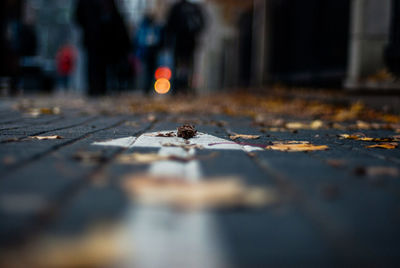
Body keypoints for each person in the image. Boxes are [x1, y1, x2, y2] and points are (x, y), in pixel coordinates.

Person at [75, 0, 130, 96]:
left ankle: (97, 88)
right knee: (95, 64)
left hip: (101, 38)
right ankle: (96, 88)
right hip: (98, 37)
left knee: (97, 64)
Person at [166, 0, 205, 93]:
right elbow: (202, 23)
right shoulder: (195, 8)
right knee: (190, 63)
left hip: (178, 39)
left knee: (177, 64)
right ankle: (188, 86)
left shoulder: (176, 7)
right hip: (191, 40)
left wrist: (168, 40)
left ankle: (176, 87)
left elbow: (169, 25)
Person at [135, 14, 162, 94]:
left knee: (151, 70)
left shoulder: (155, 28)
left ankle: (149, 87)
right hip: (145, 52)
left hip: (152, 52)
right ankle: (145, 87)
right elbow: (138, 41)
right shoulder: (143, 29)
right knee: (145, 70)